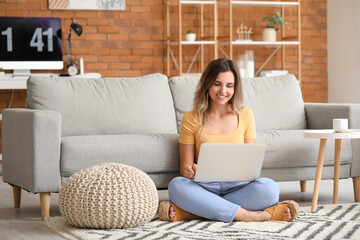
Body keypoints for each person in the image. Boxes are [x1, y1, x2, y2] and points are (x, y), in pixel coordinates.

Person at [158, 58, 299, 222]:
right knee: (177, 185)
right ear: (207, 84)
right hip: (204, 186)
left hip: (239, 186)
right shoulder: (191, 118)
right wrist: (190, 170)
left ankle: (194, 213)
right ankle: (251, 216)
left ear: (235, 88)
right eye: (217, 84)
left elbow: (250, 162)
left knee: (270, 188)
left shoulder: (245, 114)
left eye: (229, 86)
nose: (223, 90)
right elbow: (185, 167)